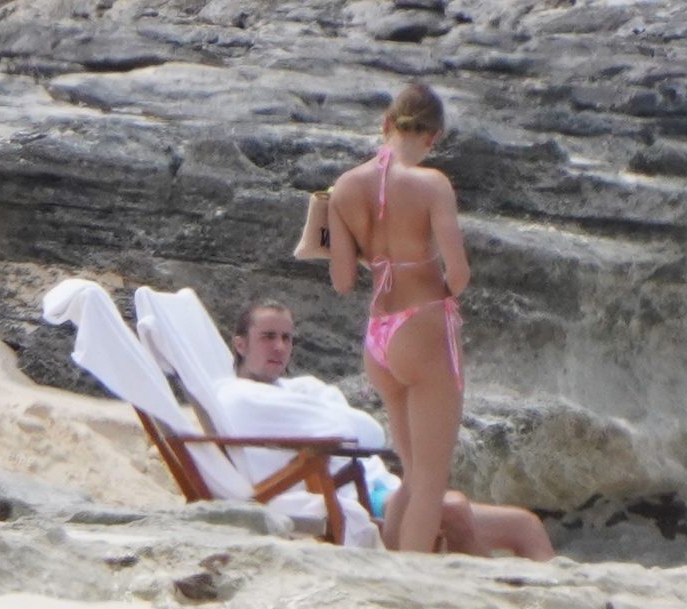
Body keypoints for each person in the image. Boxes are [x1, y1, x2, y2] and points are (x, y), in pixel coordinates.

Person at [231, 299, 555, 560]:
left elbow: (364, 431)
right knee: (453, 509)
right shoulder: (237, 397)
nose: (280, 347)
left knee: (524, 525)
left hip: (382, 487)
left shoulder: (304, 388)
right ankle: (487, 598)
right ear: (240, 344)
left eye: (286, 338)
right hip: (348, 497)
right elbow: (366, 432)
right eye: (268, 337)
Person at [327, 83, 469, 553]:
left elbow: (342, 280)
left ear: (386, 123)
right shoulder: (432, 184)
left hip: (379, 334)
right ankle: (411, 574)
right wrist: (441, 297)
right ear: (433, 136)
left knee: (411, 473)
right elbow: (459, 273)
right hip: (422, 324)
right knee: (430, 479)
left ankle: (386, 562)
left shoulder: (344, 188)